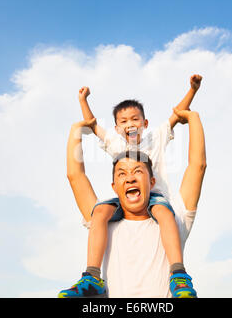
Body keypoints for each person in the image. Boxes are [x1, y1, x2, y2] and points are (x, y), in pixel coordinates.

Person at [59, 75, 202, 298]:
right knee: (100, 211)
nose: (130, 124)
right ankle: (92, 276)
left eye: (135, 119)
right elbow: (92, 126)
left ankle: (178, 273)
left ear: (144, 124)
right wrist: (83, 101)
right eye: (124, 122)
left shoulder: (155, 137)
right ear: (117, 128)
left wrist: (192, 91)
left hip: (156, 197)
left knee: (164, 212)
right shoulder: (116, 144)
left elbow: (178, 114)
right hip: (124, 201)